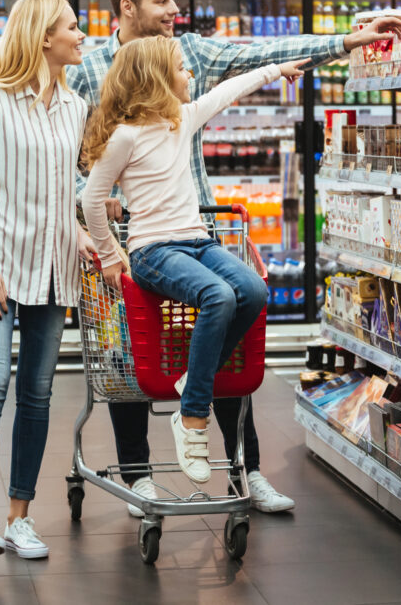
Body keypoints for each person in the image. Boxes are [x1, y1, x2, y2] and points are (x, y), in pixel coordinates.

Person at [68, 0, 401, 514]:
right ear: (127, 7)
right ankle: (139, 476)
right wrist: (96, 211)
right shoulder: (90, 68)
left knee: (228, 333)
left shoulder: (191, 54)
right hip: (136, 238)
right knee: (127, 359)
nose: (176, 11)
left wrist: (347, 41)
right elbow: (74, 152)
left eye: (174, 0)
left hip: (198, 223)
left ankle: (245, 471)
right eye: (162, 2)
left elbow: (258, 57)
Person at [82, 36, 306, 482]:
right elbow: (92, 200)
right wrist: (110, 254)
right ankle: (193, 416)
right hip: (152, 250)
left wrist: (277, 71)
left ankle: (191, 379)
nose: (190, 76)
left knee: (255, 290)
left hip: (198, 241)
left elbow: (230, 90)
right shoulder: (124, 136)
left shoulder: (181, 120)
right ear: (156, 80)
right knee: (219, 296)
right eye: (182, 69)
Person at [0, 0, 96, 562]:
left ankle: (20, 518)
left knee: (37, 394)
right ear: (42, 37)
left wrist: (80, 230)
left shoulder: (76, 106)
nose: (82, 35)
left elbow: (66, 189)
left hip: (54, 265)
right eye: (72, 27)